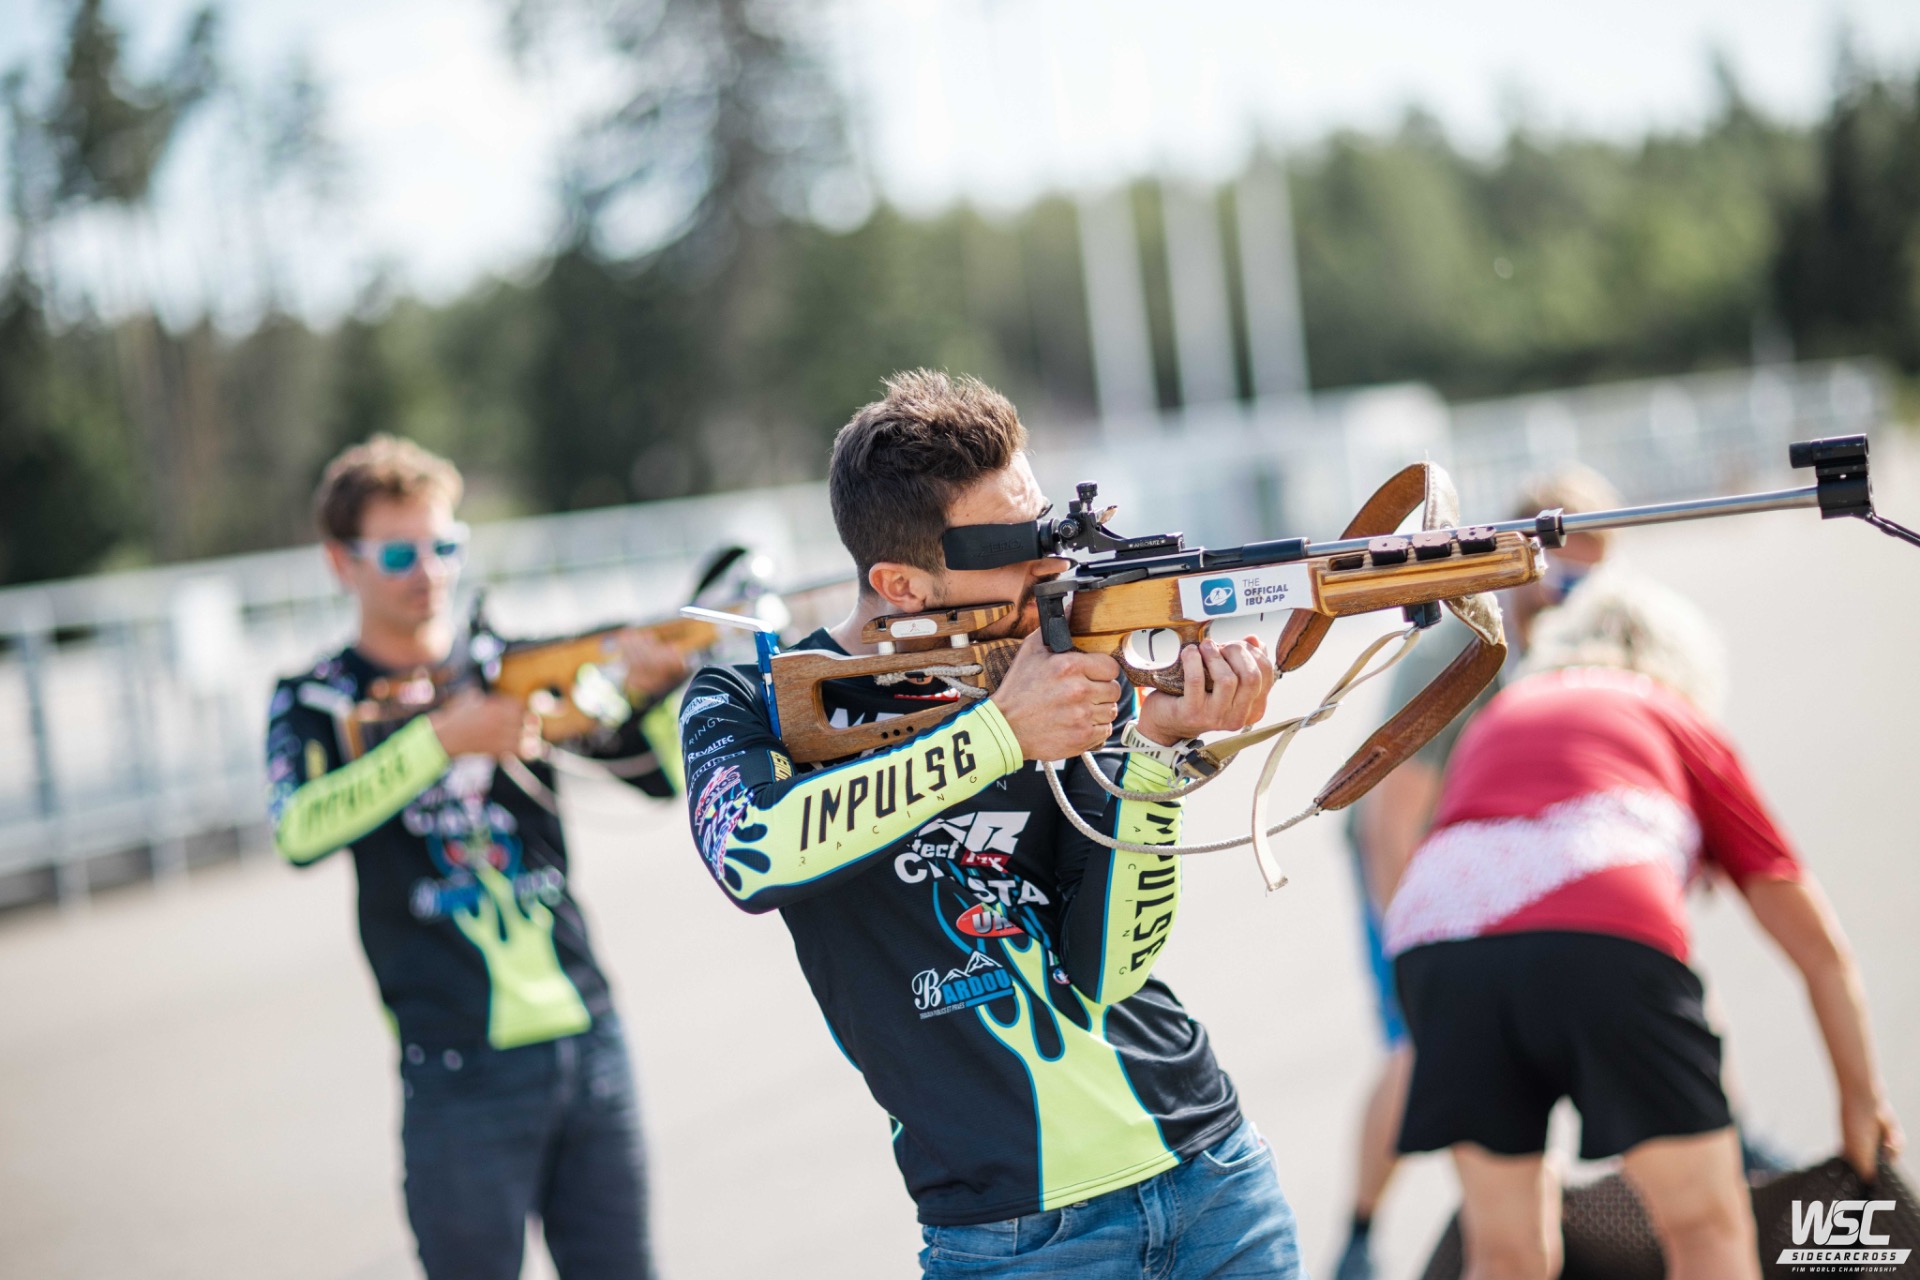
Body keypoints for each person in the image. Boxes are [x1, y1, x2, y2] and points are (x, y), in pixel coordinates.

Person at [678, 370, 1307, 1278]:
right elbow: (751, 852)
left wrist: (1159, 751)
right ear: (899, 582)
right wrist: (1001, 735)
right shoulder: (748, 703)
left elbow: (1110, 971)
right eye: (1019, 548)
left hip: (1212, 1174)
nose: (1055, 567)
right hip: (1013, 1236)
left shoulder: (1060, 665)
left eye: (1052, 529)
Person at [1380, 572, 1904, 1280]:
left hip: (1436, 938)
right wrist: (1861, 1101)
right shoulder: (1669, 712)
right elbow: (1819, 953)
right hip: (1599, 922)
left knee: (1505, 1252)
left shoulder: (1503, 712)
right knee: (1706, 1228)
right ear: (1684, 668)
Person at [266, 435, 688, 1280]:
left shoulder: (513, 670)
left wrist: (652, 690)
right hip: (455, 1063)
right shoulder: (315, 696)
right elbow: (299, 831)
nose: (429, 571)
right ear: (340, 562)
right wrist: (442, 741)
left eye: (445, 546)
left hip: (588, 1034)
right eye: (399, 553)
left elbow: (663, 781)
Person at [1332, 467, 1620, 1280]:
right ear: (1523, 560)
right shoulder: (1465, 653)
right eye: (1565, 578)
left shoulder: (1573, 649)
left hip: (1485, 859)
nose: (1573, 597)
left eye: (1593, 581)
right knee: (1419, 1047)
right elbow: (1391, 820)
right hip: (1408, 856)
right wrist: (1413, 949)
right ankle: (1359, 1237)